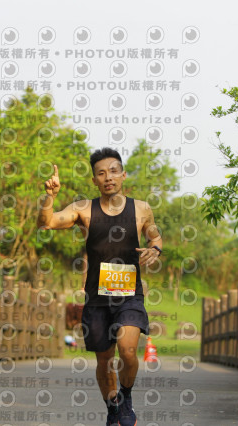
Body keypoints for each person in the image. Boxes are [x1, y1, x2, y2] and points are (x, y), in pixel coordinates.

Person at [36, 147, 163, 426]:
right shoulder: (83, 209)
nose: (109, 178)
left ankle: (126, 398)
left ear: (123, 175)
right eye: (102, 173)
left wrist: (155, 248)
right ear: (94, 180)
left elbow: (154, 235)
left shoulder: (141, 208)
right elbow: (47, 222)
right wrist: (50, 197)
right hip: (97, 298)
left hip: (130, 295)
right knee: (104, 360)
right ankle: (112, 408)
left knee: (128, 351)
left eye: (114, 171)